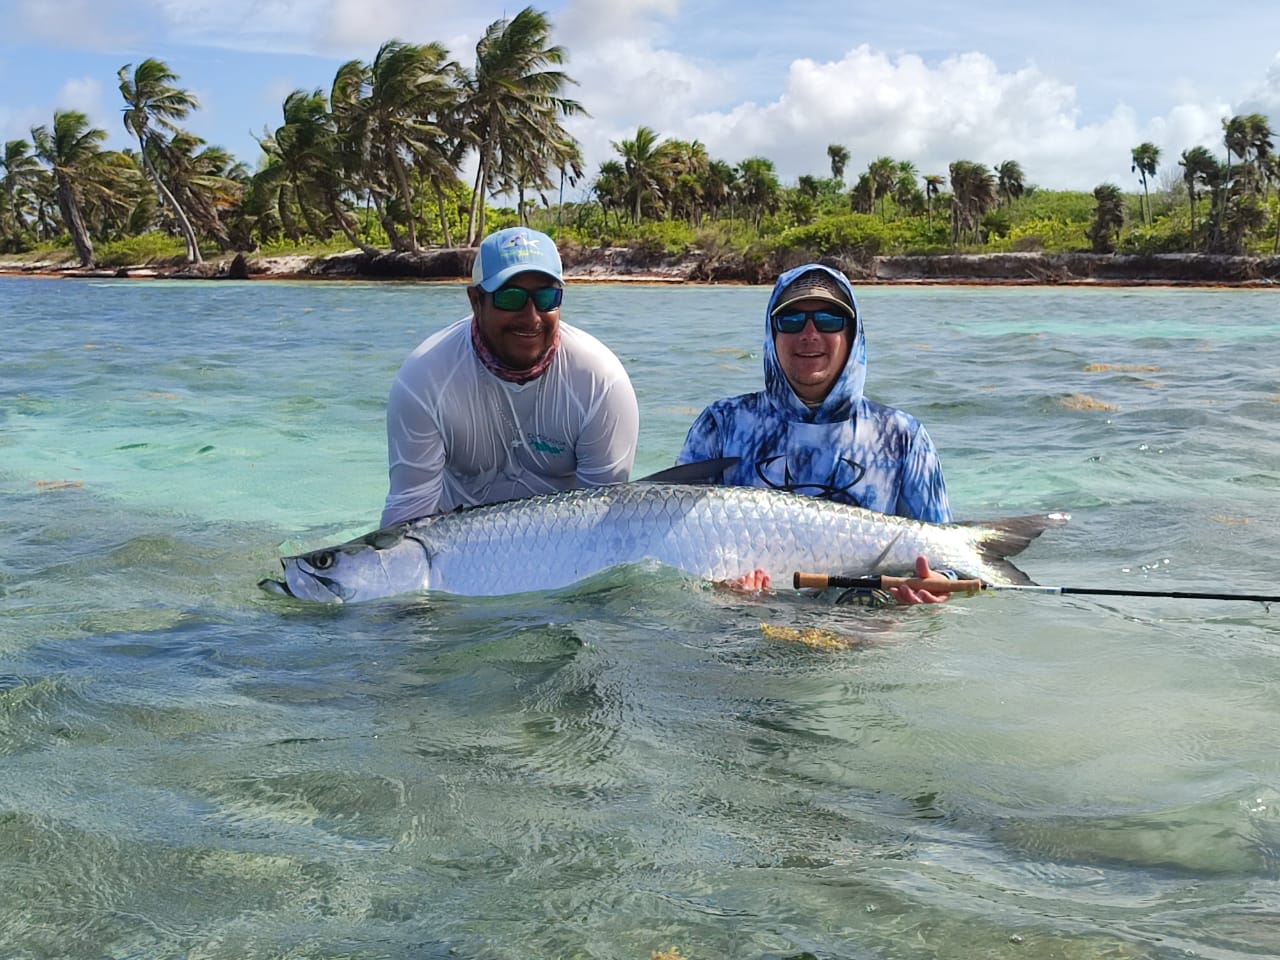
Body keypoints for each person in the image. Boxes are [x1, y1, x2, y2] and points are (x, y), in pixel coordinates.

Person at [677, 263, 951, 605]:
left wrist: (936, 584)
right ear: (771, 332)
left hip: (867, 634)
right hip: (747, 630)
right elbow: (676, 546)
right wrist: (716, 591)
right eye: (791, 320)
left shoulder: (903, 436)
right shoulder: (720, 424)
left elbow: (945, 556)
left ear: (852, 334)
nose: (809, 334)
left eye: (828, 320)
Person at [380, 226, 639, 527]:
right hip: (455, 552)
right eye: (511, 297)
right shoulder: (424, 380)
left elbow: (604, 520)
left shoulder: (602, 383)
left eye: (546, 297)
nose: (531, 317)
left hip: (567, 548)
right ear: (476, 301)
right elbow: (407, 520)